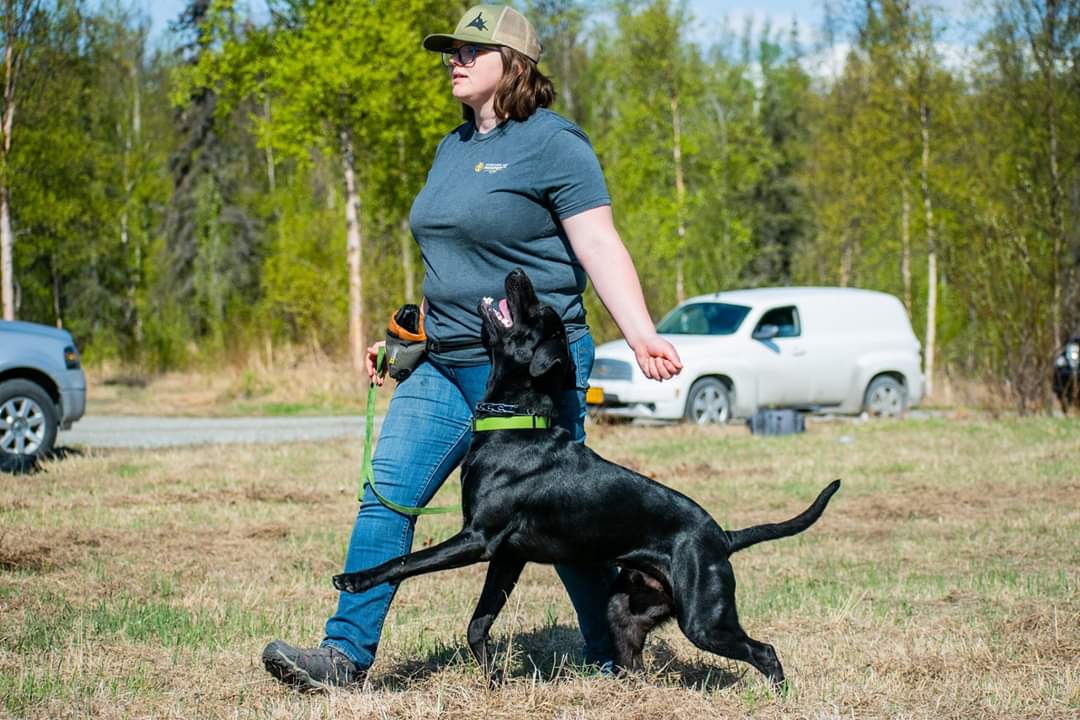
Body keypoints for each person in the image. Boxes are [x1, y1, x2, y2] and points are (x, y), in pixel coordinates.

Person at [262, 4, 683, 690]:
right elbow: (446, 257)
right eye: (450, 50)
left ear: (514, 64)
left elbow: (598, 242)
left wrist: (639, 332)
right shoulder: (450, 148)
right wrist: (408, 337)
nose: (454, 60)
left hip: (530, 374)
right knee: (388, 496)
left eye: (470, 50)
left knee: (564, 520)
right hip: (447, 364)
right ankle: (343, 658)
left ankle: (611, 654)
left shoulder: (556, 144)